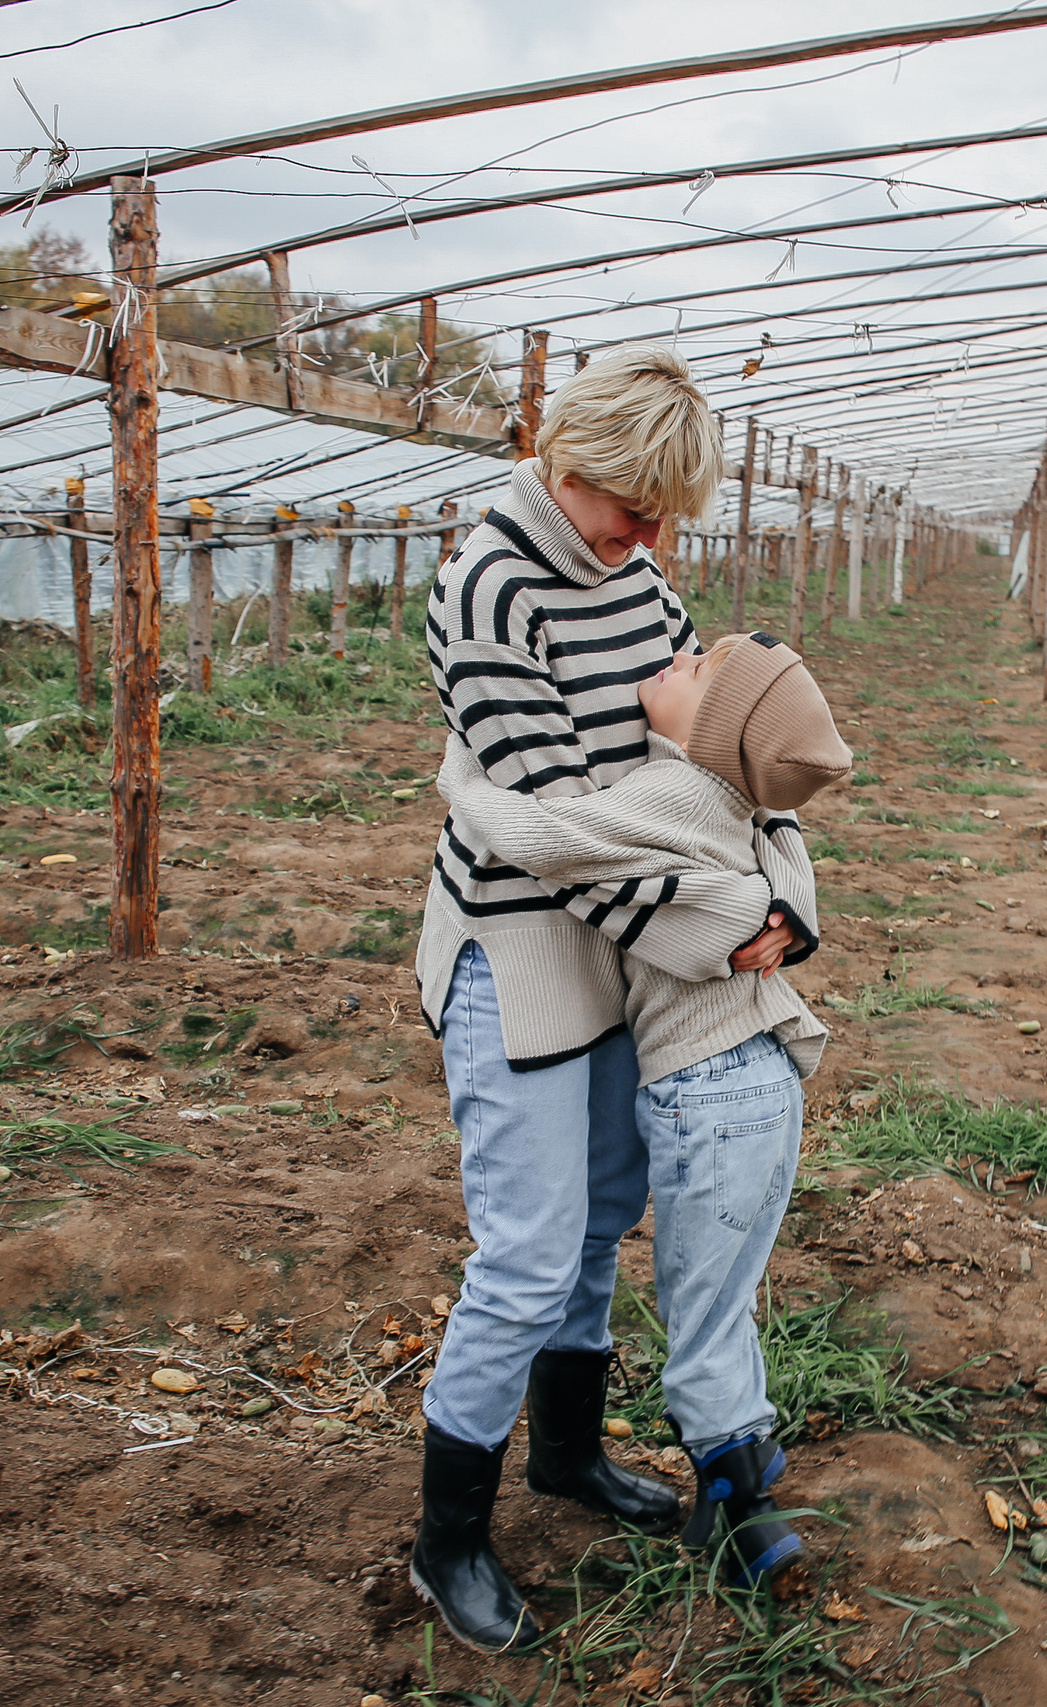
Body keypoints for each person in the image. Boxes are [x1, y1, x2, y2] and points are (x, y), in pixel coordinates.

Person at [408, 346, 813, 1654]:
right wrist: (719, 930)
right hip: (521, 951)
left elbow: (707, 753)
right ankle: (447, 1540)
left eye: (665, 520)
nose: (650, 542)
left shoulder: (635, 574)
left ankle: (567, 1453)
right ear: (567, 461)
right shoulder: (487, 589)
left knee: (598, 1214)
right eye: (634, 510)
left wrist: (768, 904)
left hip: (623, 947)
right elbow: (560, 835)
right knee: (527, 1251)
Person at [437, 631, 852, 1594]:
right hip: (765, 1078)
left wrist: (463, 777)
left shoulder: (670, 796)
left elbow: (549, 840)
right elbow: (782, 826)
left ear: (714, 733)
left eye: (697, 671)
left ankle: (744, 1513)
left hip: (709, 1093)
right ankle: (729, 1494)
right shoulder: (742, 800)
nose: (678, 658)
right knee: (725, 1296)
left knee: (699, 1315)